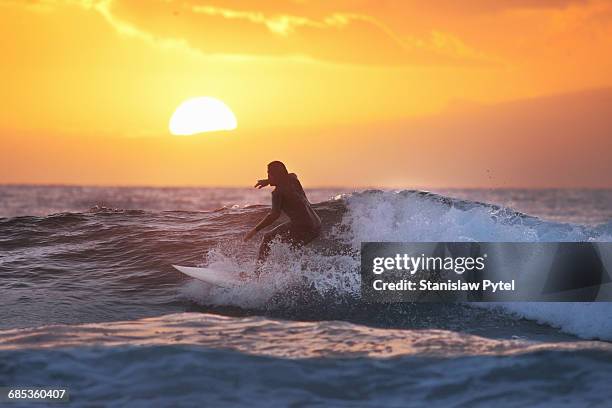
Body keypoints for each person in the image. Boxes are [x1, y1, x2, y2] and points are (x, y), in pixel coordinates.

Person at [244, 161, 321, 262]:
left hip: (302, 227)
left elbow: (274, 215)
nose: (268, 176)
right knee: (292, 249)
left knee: (267, 238)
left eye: (269, 174)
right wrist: (267, 181)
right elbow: (291, 174)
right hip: (317, 224)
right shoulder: (293, 180)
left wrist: (254, 230)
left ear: (276, 175)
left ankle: (258, 273)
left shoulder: (277, 193)